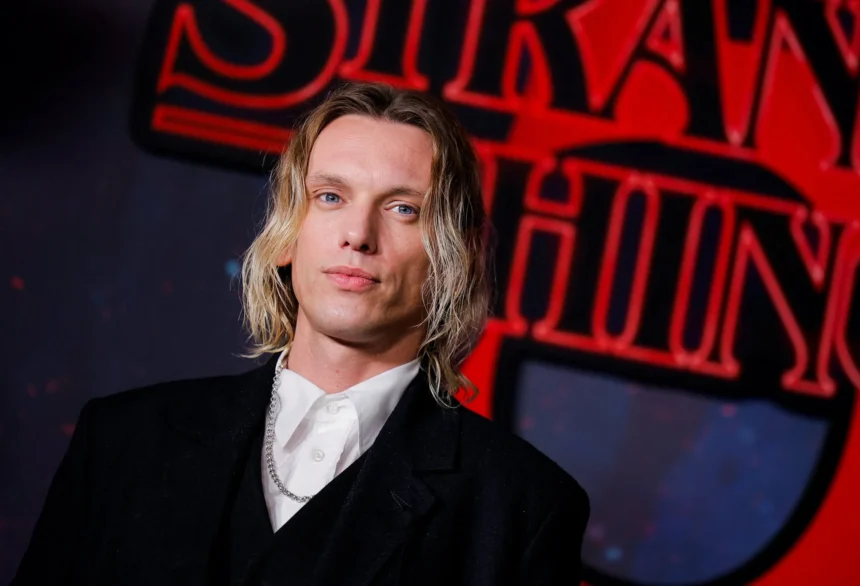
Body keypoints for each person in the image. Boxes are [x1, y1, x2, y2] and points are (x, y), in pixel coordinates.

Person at [12, 82, 589, 586]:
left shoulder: (522, 508)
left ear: (453, 255)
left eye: (403, 209)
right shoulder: (121, 441)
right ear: (288, 233)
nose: (358, 234)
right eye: (330, 197)